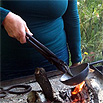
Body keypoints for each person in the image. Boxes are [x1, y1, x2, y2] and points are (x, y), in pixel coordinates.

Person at [0, 0, 82, 81]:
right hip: (9, 63)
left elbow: (71, 16)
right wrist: (4, 17)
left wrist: (76, 60)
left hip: (56, 60)